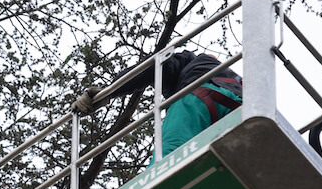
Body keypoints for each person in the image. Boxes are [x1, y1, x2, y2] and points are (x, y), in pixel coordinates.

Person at [73, 51, 242, 159]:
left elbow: (156, 66)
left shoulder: (191, 61)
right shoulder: (236, 79)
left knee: (171, 160)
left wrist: (109, 91)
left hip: (198, 97)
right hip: (241, 107)